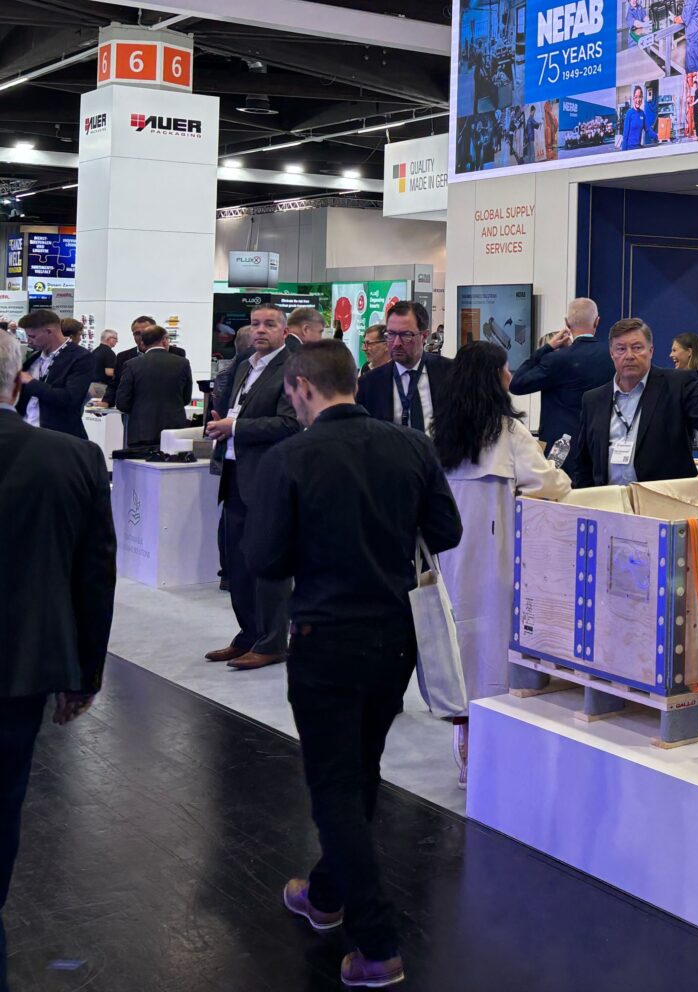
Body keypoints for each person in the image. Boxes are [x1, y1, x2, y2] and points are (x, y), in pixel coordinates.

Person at [246, 339, 461, 990]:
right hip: (394, 639)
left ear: (303, 388)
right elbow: (445, 533)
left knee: (336, 787)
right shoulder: (412, 447)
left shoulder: (289, 457)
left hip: (325, 638)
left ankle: (377, 944)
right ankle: (324, 894)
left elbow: (265, 560)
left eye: (290, 393)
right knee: (359, 768)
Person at [0, 331, 115, 976]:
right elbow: (95, 574)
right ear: (20, 385)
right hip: (22, 667)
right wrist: (86, 674)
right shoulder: (72, 458)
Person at [434, 341, 569, 781]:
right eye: (506, 369)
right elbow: (547, 484)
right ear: (494, 378)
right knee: (494, 643)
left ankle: (464, 739)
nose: (511, 377)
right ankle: (488, 749)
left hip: (450, 552)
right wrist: (561, 475)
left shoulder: (443, 428)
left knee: (460, 642)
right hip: (495, 551)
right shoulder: (509, 432)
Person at [204, 304, 300, 671]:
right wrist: (222, 424)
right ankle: (248, 636)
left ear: (284, 329)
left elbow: (290, 424)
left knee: (268, 566)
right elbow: (237, 413)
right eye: (256, 324)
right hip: (234, 473)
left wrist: (236, 427)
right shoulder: (245, 364)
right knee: (238, 565)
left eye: (269, 324)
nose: (260, 330)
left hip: (267, 479)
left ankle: (274, 641)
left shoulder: (292, 367)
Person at [565, 318, 698, 491]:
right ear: (612, 353)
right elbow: (583, 462)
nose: (629, 355)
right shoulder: (593, 399)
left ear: (650, 351)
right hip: (610, 504)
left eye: (637, 348)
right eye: (621, 349)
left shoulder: (677, 385)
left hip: (664, 501)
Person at [509, 297, 615, 452]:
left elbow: (517, 384)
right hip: (601, 444)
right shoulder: (612, 356)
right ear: (597, 321)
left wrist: (547, 348)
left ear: (567, 323)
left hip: (560, 449)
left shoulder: (555, 360)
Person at [356, 301, 452, 435]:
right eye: (391, 334)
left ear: (424, 336)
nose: (396, 343)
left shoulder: (450, 374)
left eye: (406, 335)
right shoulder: (369, 384)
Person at [111, 323, 193, 450]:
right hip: (174, 431)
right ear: (165, 341)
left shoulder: (131, 365)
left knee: (140, 468)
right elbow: (186, 398)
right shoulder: (182, 363)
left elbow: (122, 402)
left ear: (143, 344)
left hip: (141, 431)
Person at [14, 309, 91, 439]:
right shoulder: (33, 358)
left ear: (49, 331)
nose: (29, 341)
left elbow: (70, 399)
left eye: (32, 336)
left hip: (59, 439)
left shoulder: (80, 357)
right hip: (26, 435)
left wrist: (31, 383)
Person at [114, 316, 158, 382]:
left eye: (146, 332)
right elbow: (115, 385)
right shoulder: (122, 357)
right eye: (137, 334)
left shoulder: (174, 354)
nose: (142, 337)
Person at [620, 83, 647, 151]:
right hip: (629, 149)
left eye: (640, 97)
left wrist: (657, 136)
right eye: (636, 97)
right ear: (633, 98)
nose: (638, 100)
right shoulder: (629, 113)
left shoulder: (642, 114)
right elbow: (625, 135)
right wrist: (623, 152)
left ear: (642, 98)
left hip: (638, 148)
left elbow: (648, 129)